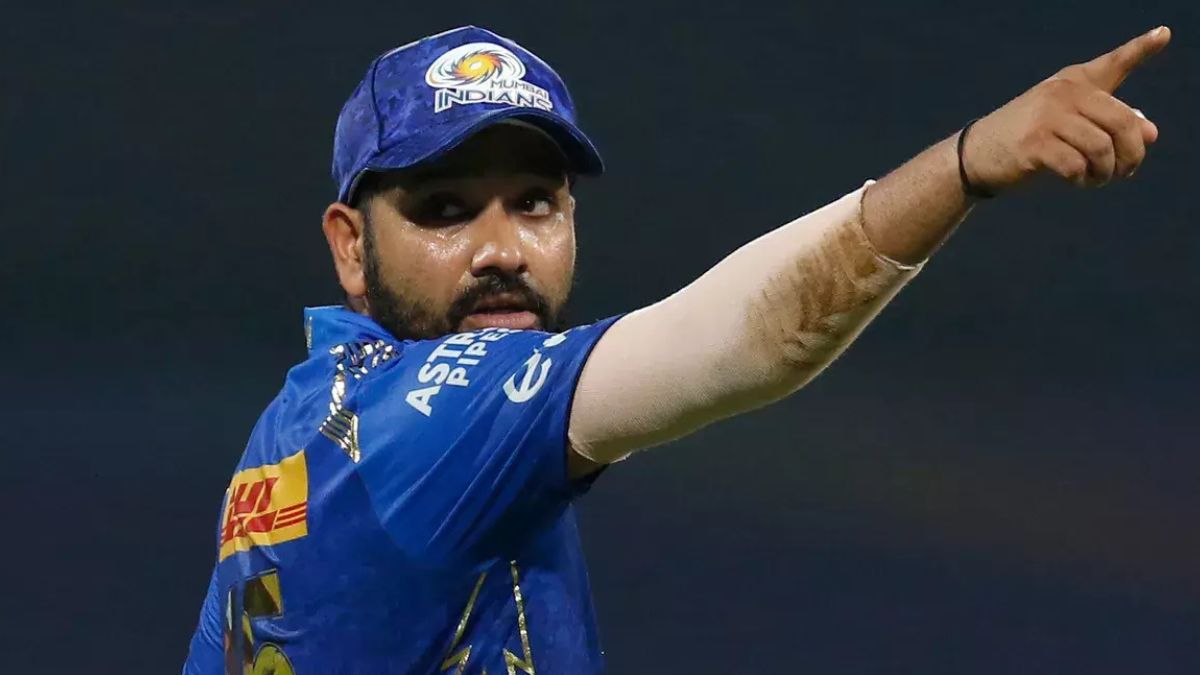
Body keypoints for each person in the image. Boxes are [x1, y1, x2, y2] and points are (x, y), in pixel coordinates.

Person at [182, 23, 1171, 675]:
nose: (501, 250)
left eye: (535, 204)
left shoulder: (295, 430)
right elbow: (746, 340)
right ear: (351, 249)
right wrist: (964, 165)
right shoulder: (428, 419)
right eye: (443, 210)